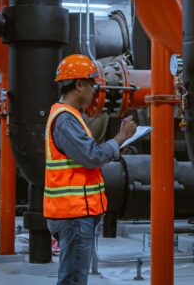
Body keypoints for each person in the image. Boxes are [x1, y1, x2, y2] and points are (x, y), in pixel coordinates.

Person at [44, 53, 137, 285]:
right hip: (73, 213)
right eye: (92, 84)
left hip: (75, 211)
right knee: (73, 279)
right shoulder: (65, 119)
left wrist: (116, 148)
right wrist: (120, 137)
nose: (95, 90)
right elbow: (91, 156)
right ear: (78, 84)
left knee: (74, 276)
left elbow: (86, 155)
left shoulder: (71, 117)